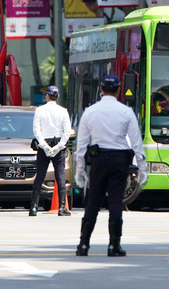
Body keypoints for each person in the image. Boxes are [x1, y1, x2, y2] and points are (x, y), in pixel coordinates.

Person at [74, 74, 147, 257]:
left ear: (100, 89)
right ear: (119, 89)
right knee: (115, 201)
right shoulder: (126, 112)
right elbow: (136, 141)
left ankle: (83, 244)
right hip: (119, 159)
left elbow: (81, 144)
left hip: (98, 159)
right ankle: (114, 245)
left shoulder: (90, 111)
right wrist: (142, 166)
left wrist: (80, 168)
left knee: (93, 201)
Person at [29, 85, 72, 217]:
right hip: (58, 145)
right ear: (57, 96)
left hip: (44, 146)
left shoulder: (39, 110)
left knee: (40, 176)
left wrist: (44, 146)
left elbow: (36, 130)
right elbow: (67, 132)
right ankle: (61, 208)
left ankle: (34, 208)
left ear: (47, 96)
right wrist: (59, 146)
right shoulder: (63, 111)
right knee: (60, 177)